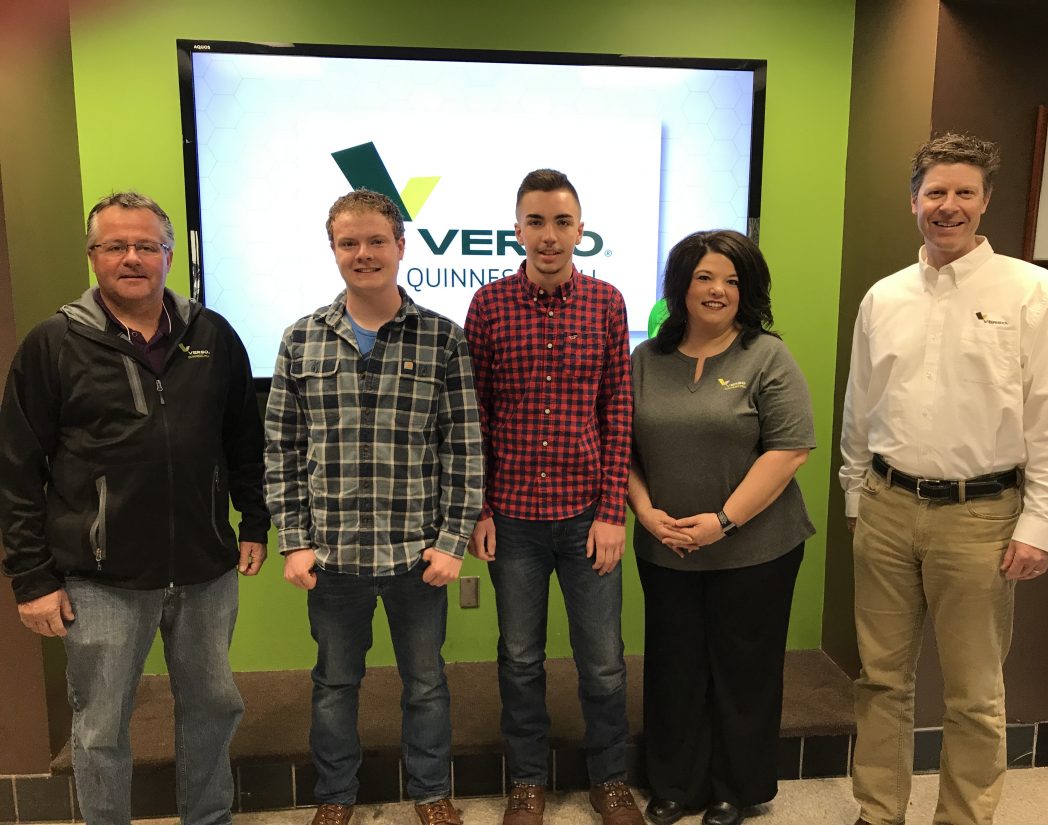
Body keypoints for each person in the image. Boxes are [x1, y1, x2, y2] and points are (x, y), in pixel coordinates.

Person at [839, 133, 1048, 825]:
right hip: (886, 506)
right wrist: (855, 492)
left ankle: (964, 817)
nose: (948, 206)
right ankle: (878, 812)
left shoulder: (1031, 291)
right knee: (879, 680)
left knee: (974, 693)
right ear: (914, 201)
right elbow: (860, 403)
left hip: (980, 517)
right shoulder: (884, 296)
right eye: (935, 192)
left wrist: (1042, 523)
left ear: (985, 202)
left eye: (964, 193)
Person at [0, 191, 269, 825]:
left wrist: (253, 522)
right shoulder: (53, 344)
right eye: (115, 245)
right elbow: (17, 469)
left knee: (213, 708)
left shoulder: (213, 335)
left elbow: (243, 439)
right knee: (100, 727)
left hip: (205, 570)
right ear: (92, 255)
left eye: (147, 245)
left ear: (169, 255)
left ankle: (208, 819)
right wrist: (32, 579)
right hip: (100, 580)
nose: (132, 258)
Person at [264, 189, 482, 825]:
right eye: (349, 242)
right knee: (335, 686)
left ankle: (432, 795)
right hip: (332, 558)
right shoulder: (301, 339)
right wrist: (293, 540)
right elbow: (281, 447)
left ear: (401, 246)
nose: (364, 253)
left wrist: (452, 542)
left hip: (417, 555)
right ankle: (336, 799)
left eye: (376, 241)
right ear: (333, 250)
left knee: (426, 684)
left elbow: (464, 447)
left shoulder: (442, 339)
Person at [464, 169, 640, 825]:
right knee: (519, 660)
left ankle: (611, 781)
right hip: (513, 519)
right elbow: (475, 414)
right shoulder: (488, 305)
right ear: (517, 230)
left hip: (587, 515)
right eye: (536, 222)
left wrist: (613, 512)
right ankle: (527, 783)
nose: (549, 235)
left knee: (603, 662)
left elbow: (617, 409)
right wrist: (481, 509)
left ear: (580, 230)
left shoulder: (607, 303)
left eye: (561, 222)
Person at [628, 230, 814, 825]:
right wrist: (644, 511)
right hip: (667, 549)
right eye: (705, 277)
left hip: (756, 549)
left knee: (743, 672)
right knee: (673, 668)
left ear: (747, 291)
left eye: (733, 280)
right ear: (680, 285)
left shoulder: (766, 356)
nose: (718, 290)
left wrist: (724, 522)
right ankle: (675, 785)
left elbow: (789, 450)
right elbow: (621, 449)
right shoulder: (645, 360)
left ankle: (736, 788)